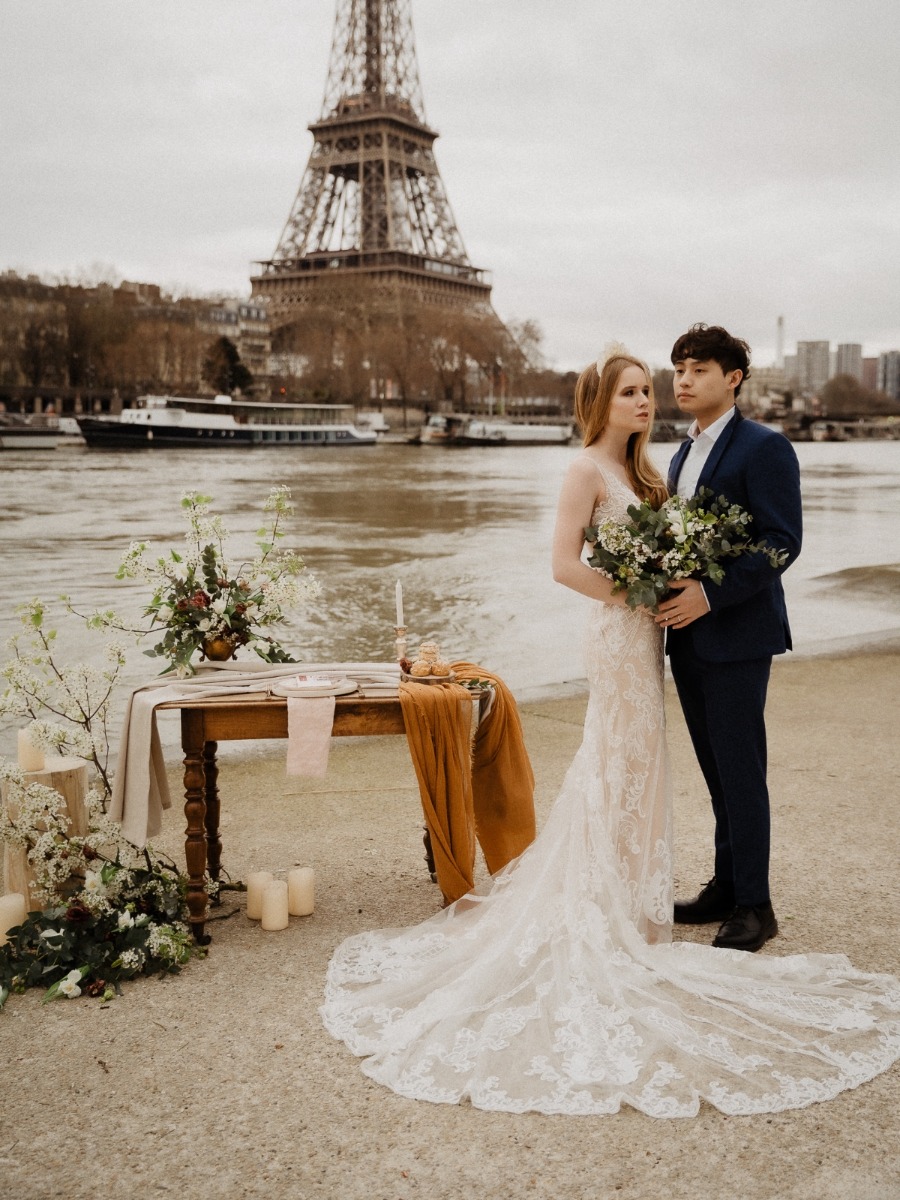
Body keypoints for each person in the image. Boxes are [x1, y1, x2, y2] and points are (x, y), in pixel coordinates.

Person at [320, 347, 900, 1118]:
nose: (652, 399)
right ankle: (644, 897)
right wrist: (638, 594)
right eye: (636, 390)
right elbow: (565, 565)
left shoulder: (668, 466)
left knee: (663, 763)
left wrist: (681, 593)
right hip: (631, 632)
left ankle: (722, 898)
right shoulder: (601, 467)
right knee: (618, 760)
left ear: (731, 378)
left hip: (677, 635)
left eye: (653, 389)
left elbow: (771, 540)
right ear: (600, 402)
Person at [655, 324, 800, 952]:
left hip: (738, 636)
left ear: (732, 378)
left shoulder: (764, 447)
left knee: (742, 770)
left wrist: (710, 593)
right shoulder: (681, 455)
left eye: (698, 370)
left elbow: (781, 542)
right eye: (679, 370)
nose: (683, 381)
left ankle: (755, 906)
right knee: (716, 771)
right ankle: (725, 885)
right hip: (687, 639)